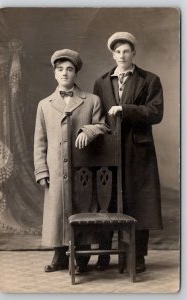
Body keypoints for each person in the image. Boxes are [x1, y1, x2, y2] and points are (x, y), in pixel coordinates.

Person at [34, 49, 110, 274]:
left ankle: (82, 259)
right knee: (58, 212)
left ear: (76, 73)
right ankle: (59, 256)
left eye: (69, 69)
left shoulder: (91, 100)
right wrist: (41, 170)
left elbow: (104, 126)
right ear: (55, 74)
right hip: (56, 169)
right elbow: (40, 140)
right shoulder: (45, 104)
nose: (65, 73)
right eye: (60, 70)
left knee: (81, 209)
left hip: (83, 172)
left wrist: (88, 129)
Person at [93, 32, 163, 273]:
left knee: (139, 202)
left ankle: (137, 257)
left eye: (126, 51)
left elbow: (156, 113)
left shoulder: (149, 80)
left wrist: (125, 109)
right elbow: (98, 115)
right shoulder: (101, 82)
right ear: (112, 54)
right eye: (117, 51)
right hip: (109, 149)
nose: (121, 55)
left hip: (138, 149)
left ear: (134, 53)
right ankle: (104, 255)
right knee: (107, 200)